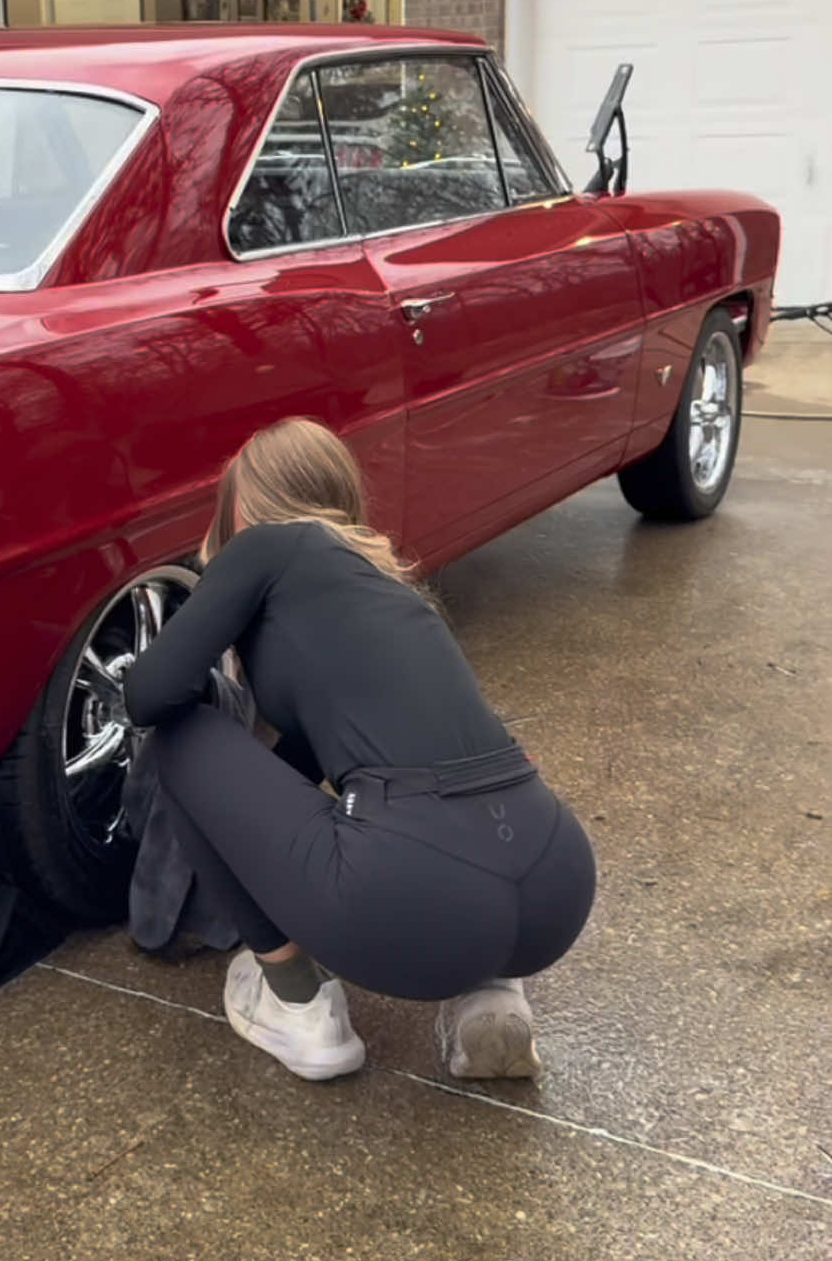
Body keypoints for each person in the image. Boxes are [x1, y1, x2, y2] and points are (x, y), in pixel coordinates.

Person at [122, 420, 596, 1083]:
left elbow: (149, 693)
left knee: (183, 737)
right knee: (454, 823)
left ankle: (296, 1006)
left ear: (246, 506)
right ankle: (491, 993)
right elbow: (281, 785)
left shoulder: (268, 544)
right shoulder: (387, 588)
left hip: (413, 895)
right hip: (557, 881)